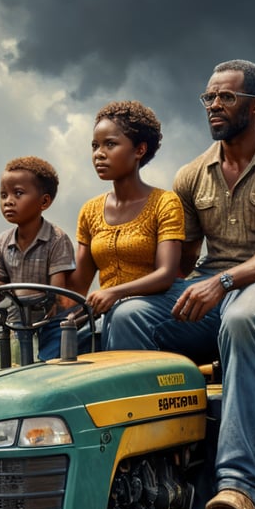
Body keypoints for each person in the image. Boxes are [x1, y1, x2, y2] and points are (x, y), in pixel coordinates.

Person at [108, 60, 255, 509]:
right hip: (213, 285)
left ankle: (235, 487)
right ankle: (145, 481)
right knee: (130, 318)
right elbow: (179, 265)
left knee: (243, 319)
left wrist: (222, 284)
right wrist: (120, 275)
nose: (214, 106)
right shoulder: (191, 176)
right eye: (209, 98)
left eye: (225, 97)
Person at [68, 101, 184, 347]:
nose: (99, 153)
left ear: (139, 150)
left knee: (122, 317)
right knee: (65, 337)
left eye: (110, 144)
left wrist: (115, 293)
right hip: (108, 311)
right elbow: (78, 285)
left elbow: (166, 275)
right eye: (95, 146)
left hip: (154, 306)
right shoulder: (89, 211)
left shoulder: (165, 202)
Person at [0, 156, 75, 360]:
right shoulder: (1, 244)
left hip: (51, 323)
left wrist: (42, 313)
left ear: (44, 201)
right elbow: (0, 286)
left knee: (48, 363)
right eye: (3, 195)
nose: (8, 201)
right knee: (16, 368)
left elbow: (59, 295)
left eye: (18, 193)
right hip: (17, 322)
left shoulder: (57, 240)